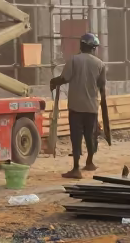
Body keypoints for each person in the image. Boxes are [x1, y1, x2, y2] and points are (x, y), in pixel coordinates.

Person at [50, 32, 107, 180]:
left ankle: (76, 168)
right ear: (94, 48)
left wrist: (54, 81)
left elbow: (64, 78)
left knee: (76, 137)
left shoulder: (74, 60)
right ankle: (89, 162)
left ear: (81, 45)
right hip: (92, 107)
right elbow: (102, 86)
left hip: (76, 107)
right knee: (90, 135)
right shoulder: (100, 64)